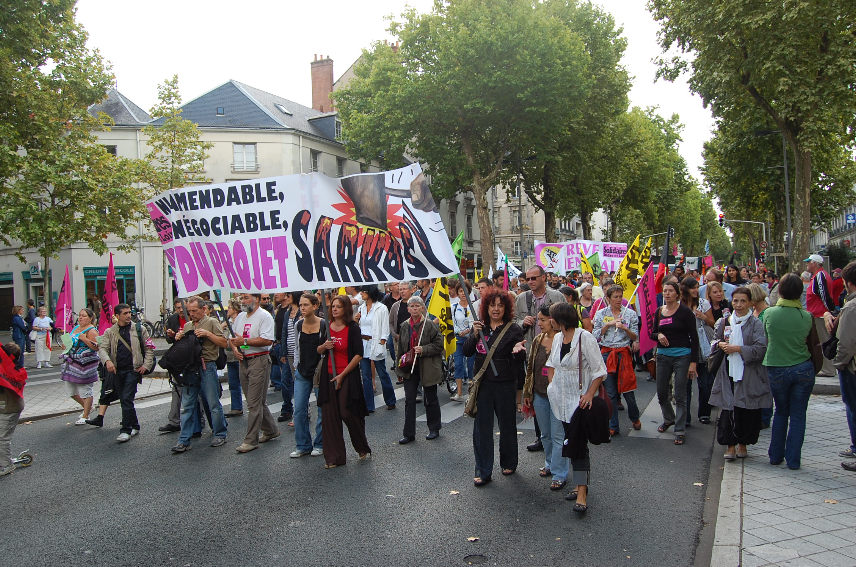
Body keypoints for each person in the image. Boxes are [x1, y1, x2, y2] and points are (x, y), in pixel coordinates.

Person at [546, 301, 608, 514]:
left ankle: (582, 491)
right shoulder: (557, 338)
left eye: (552, 317)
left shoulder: (585, 338)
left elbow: (600, 370)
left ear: (561, 320)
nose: (550, 321)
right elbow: (551, 364)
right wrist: (552, 386)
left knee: (579, 447)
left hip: (579, 402)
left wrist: (589, 394)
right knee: (571, 444)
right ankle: (579, 484)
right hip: (561, 402)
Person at [464, 289, 526, 487]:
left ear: (506, 308)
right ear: (486, 308)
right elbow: (467, 351)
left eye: (500, 305)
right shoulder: (479, 327)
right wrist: (474, 336)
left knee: (507, 425)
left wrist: (518, 352)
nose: (496, 309)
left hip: (505, 384)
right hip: (483, 384)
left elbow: (520, 360)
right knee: (481, 429)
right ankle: (483, 470)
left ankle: (509, 462)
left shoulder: (513, 329)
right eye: (492, 305)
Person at [709, 287, 772, 460]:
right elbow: (714, 341)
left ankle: (743, 443)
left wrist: (738, 349)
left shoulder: (756, 324)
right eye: (736, 301)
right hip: (727, 370)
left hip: (749, 372)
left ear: (750, 303)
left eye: (743, 301)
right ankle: (730, 445)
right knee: (728, 408)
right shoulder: (724, 322)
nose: (739, 305)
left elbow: (761, 348)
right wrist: (720, 344)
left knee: (746, 409)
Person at [763, 273, 815, 470]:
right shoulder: (806, 316)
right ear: (800, 292)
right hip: (803, 367)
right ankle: (794, 460)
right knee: (798, 414)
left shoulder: (769, 313)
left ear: (780, 291)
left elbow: (766, 338)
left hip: (777, 366)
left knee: (781, 411)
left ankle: (775, 456)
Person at [317, 295, 371, 468]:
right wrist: (324, 347)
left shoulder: (352, 328)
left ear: (346, 309)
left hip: (347, 375)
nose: (334, 309)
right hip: (328, 375)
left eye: (338, 306)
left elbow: (358, 354)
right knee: (330, 416)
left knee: (347, 412)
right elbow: (318, 349)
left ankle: (361, 446)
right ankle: (334, 457)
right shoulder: (327, 326)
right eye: (333, 306)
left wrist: (342, 375)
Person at [522, 305, 569, 490]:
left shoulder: (564, 340)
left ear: (553, 320)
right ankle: (549, 463)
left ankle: (560, 473)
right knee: (545, 434)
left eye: (542, 320)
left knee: (558, 436)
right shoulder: (538, 339)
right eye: (538, 320)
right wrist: (528, 392)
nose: (539, 323)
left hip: (558, 396)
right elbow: (531, 368)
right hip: (539, 394)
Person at [92, 304, 155, 441]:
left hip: (133, 370)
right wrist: (107, 361)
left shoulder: (139, 329)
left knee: (126, 398)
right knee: (125, 399)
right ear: (117, 315)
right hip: (117, 371)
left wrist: (146, 365)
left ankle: (126, 429)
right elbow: (103, 348)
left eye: (129, 312)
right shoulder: (110, 331)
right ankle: (135, 425)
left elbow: (149, 348)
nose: (128, 315)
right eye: (125, 313)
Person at [229, 294, 279, 453]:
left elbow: (267, 340)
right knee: (256, 401)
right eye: (242, 298)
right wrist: (235, 349)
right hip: (243, 360)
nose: (242, 301)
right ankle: (271, 430)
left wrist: (244, 342)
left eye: (246, 298)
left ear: (256, 299)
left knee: (253, 402)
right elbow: (233, 339)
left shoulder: (265, 316)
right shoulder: (240, 317)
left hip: (259, 360)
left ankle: (251, 440)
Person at [651, 281, 699, 445]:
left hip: (682, 356)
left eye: (671, 291)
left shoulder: (685, 312)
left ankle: (679, 430)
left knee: (680, 394)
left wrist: (693, 362)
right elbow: (652, 333)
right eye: (665, 291)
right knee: (661, 392)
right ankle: (669, 418)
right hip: (663, 356)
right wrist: (658, 335)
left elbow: (694, 338)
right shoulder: (659, 311)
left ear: (677, 294)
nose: (667, 293)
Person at [592, 285, 641, 437]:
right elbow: (595, 335)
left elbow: (635, 336)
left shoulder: (630, 314)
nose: (619, 300)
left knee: (627, 390)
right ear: (608, 298)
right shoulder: (601, 314)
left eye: (620, 296)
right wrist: (608, 324)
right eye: (615, 297)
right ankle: (613, 425)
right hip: (607, 354)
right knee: (610, 393)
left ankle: (634, 417)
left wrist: (625, 329)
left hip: (623, 354)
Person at [396, 296, 444, 443]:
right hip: (410, 368)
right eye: (412, 306)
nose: (415, 308)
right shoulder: (405, 326)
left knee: (430, 399)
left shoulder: (429, 325)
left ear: (423, 308)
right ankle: (408, 434)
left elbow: (439, 345)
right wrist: (399, 369)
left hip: (427, 366)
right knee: (409, 400)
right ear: (408, 309)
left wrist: (423, 349)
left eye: (417, 306)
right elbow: (400, 349)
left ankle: (434, 428)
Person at [290, 293, 325, 458]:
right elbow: (297, 347)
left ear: (315, 306)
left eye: (306, 305)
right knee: (299, 409)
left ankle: (320, 444)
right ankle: (303, 445)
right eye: (301, 305)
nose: (302, 308)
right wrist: (296, 365)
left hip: (318, 372)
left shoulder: (323, 324)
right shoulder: (298, 325)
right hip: (302, 371)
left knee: (322, 409)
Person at [830, 262, 856, 471]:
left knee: (853, 407)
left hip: (852, 367)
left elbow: (846, 343)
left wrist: (839, 363)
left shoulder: (851, 307)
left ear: (848, 283)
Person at [681, 277, 714, 428]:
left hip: (702, 345)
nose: (695, 290)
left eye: (697, 287)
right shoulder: (679, 304)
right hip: (685, 345)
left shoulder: (703, 303)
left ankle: (704, 413)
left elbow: (713, 323)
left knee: (705, 383)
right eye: (692, 288)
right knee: (685, 384)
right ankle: (685, 417)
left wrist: (704, 317)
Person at [358, 286, 396, 412]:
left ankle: (390, 400)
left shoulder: (381, 308)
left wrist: (383, 341)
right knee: (366, 376)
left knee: (382, 373)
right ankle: (369, 405)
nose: (361, 294)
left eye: (363, 291)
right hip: (364, 344)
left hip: (376, 342)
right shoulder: (361, 308)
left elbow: (385, 326)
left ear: (370, 293)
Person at [59, 308, 100, 425]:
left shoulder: (92, 331)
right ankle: (88, 407)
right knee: (71, 391)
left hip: (85, 365)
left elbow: (97, 347)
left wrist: (85, 339)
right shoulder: (76, 328)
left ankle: (85, 415)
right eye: (80, 315)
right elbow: (71, 343)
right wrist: (65, 345)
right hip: (72, 364)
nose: (80, 318)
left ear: (90, 318)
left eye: (84, 316)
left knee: (85, 390)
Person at [804, 254, 836, 376]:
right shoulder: (818, 275)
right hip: (819, 313)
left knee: (824, 340)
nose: (807, 264)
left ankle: (828, 369)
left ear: (815, 263)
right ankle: (826, 367)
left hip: (821, 314)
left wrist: (829, 311)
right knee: (822, 340)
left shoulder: (820, 276)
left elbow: (824, 295)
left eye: (809, 262)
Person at [0, 343, 26, 477]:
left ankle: (7, 465)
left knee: (2, 438)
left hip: (10, 409)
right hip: (6, 407)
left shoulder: (10, 372)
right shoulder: (15, 369)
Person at [277, 292, 301, 423]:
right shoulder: (287, 313)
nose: (286, 298)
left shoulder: (301, 311)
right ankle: (287, 409)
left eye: (289, 295)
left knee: (299, 383)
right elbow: (284, 332)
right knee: (285, 381)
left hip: (299, 352)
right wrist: (283, 352)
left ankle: (301, 412)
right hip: (288, 352)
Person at [451, 285, 476, 402]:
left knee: (471, 366)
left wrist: (468, 330)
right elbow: (452, 322)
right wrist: (458, 331)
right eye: (460, 291)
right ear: (457, 293)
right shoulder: (454, 307)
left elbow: (476, 321)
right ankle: (459, 393)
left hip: (471, 339)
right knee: (458, 365)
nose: (463, 293)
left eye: (465, 291)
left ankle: (471, 393)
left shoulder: (474, 306)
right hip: (458, 339)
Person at [222, 298, 243, 417]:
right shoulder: (228, 322)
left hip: (239, 355)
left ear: (235, 309)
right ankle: (236, 407)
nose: (228, 310)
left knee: (245, 383)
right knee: (233, 383)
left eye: (229, 307)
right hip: (230, 356)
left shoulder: (241, 320)